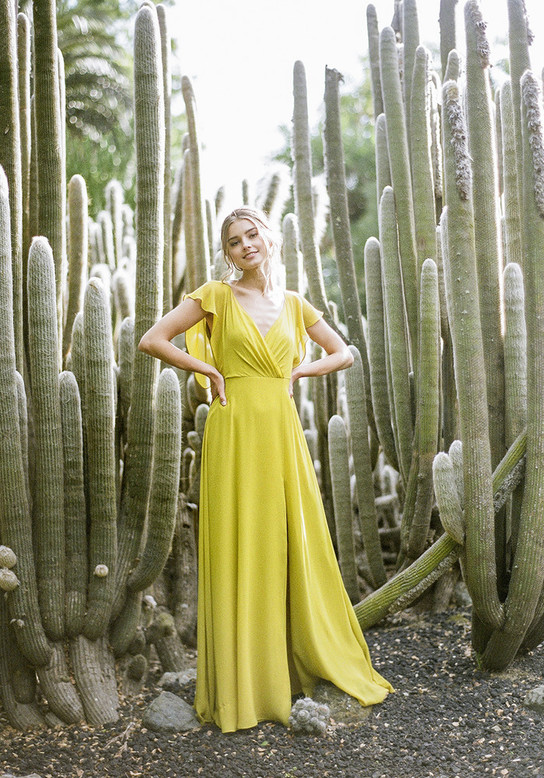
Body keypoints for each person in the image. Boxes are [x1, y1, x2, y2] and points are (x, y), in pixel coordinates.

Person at [138, 206, 393, 733]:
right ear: (228, 253)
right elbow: (152, 339)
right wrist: (207, 368)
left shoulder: (295, 304)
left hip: (280, 429)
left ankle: (291, 666)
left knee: (285, 539)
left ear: (269, 238)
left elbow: (343, 353)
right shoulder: (214, 295)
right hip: (233, 430)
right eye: (234, 241)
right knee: (242, 541)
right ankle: (245, 683)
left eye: (252, 234)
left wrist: (300, 371)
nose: (245, 245)